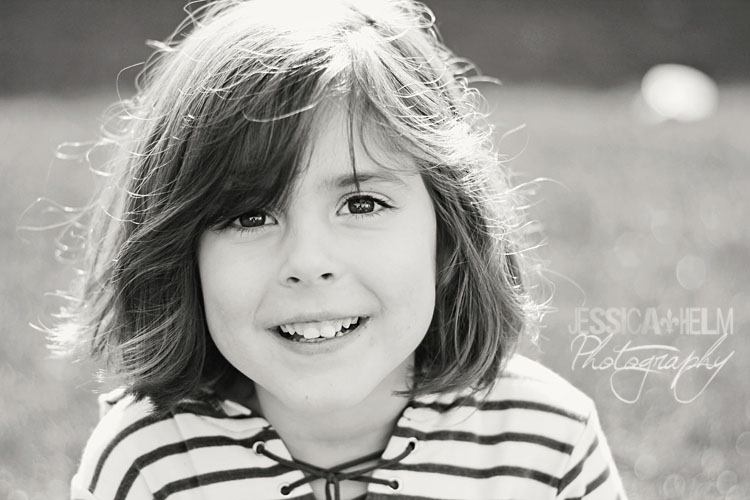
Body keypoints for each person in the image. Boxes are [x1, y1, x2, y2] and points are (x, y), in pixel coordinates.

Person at [52, 0, 629, 498]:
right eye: (250, 216)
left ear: (449, 228)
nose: (308, 263)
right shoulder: (147, 461)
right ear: (179, 254)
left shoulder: (546, 444)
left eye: (361, 205)